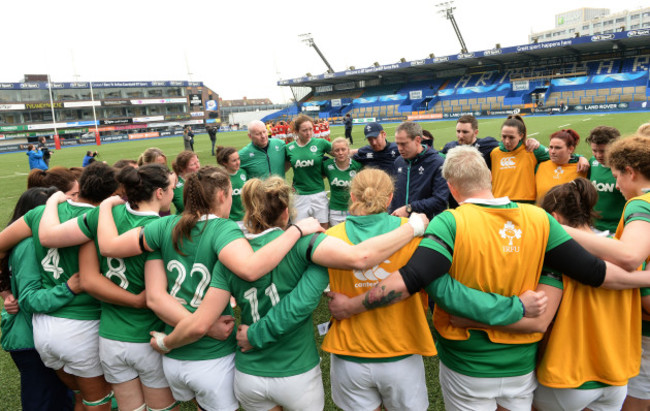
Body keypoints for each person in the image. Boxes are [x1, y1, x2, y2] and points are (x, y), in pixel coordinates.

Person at [327, 145, 650, 411]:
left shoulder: (450, 222)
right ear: (490, 178)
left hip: (467, 363)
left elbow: (413, 278)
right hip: (521, 364)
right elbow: (595, 272)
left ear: (451, 187)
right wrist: (644, 278)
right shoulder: (538, 218)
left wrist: (352, 306)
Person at [233, 169, 546, 411]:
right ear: (390, 197)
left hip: (350, 354)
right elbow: (437, 286)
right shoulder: (415, 236)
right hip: (402, 350)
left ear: (351, 195)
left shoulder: (330, 238)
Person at [147, 175, 441, 411]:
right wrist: (415, 226)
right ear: (287, 210)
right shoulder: (311, 246)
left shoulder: (231, 257)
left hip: (250, 372)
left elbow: (202, 319)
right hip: (299, 370)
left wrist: (173, 339)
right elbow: (348, 267)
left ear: (248, 211)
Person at [95, 165, 325, 411]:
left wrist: (106, 206)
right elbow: (250, 269)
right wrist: (296, 231)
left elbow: (108, 246)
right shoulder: (222, 229)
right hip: (212, 356)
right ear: (222, 195)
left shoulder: (165, 225)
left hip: (174, 359)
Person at [37, 164, 179, 411]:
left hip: (111, 338)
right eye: (172, 189)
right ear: (159, 193)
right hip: (149, 335)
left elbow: (52, 241)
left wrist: (56, 203)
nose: (173, 194)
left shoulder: (102, 217)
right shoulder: (164, 227)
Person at [0, 162, 119, 410]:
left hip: (44, 329)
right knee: (99, 401)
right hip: (82, 326)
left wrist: (5, 290)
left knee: (78, 397)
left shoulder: (39, 214)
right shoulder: (104, 220)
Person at [560, 135, 650, 411]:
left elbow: (629, 256)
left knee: (635, 398)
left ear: (630, 172)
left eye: (616, 177)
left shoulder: (639, 204)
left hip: (645, 325)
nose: (617, 185)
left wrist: (557, 230)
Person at [0, 187, 75, 411]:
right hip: (29, 340)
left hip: (32, 335)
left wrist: (6, 293)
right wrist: (70, 288)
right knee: (43, 402)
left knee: (58, 398)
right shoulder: (30, 246)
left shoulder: (25, 243)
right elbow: (30, 298)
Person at [390, 121, 449, 219]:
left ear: (418, 140)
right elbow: (395, 195)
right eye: (397, 144)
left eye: (404, 144)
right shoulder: (398, 162)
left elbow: (440, 201)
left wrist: (409, 208)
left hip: (427, 228)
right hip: (400, 225)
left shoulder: (437, 163)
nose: (399, 149)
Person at [490, 115, 552, 203]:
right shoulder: (494, 153)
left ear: (521, 136)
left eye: (511, 137)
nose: (507, 141)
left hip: (525, 202)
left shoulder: (532, 149)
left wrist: (578, 158)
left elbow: (559, 155)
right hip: (499, 202)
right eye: (504, 136)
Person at [285, 114, 332, 228]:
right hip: (299, 195)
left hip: (319, 193)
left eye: (310, 129)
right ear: (296, 131)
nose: (308, 133)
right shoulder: (289, 148)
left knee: (323, 227)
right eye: (304, 130)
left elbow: (342, 153)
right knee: (299, 228)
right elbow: (284, 169)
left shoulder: (321, 143)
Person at [586, 125, 627, 233]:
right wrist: (578, 158)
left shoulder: (627, 167)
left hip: (620, 228)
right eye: (594, 150)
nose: (598, 155)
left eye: (603, 151)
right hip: (594, 227)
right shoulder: (592, 163)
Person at [535, 129, 588, 202]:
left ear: (570, 149)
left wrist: (581, 157)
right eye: (551, 147)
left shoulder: (582, 168)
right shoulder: (541, 166)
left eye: (558, 148)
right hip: (542, 213)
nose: (553, 152)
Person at [323, 137, 362, 226]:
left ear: (348, 150)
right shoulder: (327, 165)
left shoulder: (357, 166)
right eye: (337, 150)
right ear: (332, 152)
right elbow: (314, 176)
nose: (340, 153)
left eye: (343, 149)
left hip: (353, 209)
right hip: (334, 210)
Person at [216, 146, 247, 225]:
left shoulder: (243, 172)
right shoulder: (220, 177)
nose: (238, 162)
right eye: (234, 161)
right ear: (225, 163)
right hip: (230, 221)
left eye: (238, 159)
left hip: (245, 218)